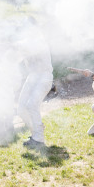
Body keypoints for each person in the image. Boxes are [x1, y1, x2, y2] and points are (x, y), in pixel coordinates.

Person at [15, 19, 55, 151]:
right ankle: (36, 132)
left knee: (32, 105)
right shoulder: (27, 41)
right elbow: (17, 55)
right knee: (21, 108)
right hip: (32, 76)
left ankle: (38, 138)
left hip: (44, 76)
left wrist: (16, 45)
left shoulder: (39, 41)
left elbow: (29, 49)